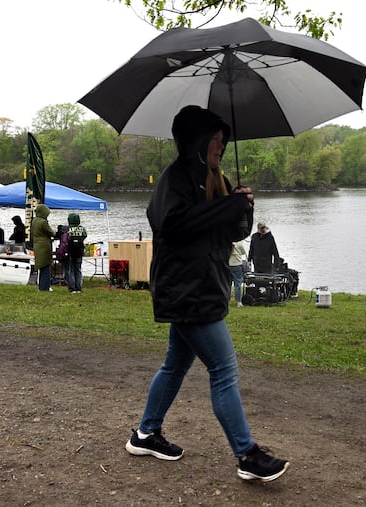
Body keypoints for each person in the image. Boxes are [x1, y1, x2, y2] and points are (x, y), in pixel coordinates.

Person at [126, 105, 289, 482]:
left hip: (205, 284)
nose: (220, 147)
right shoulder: (176, 178)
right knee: (224, 368)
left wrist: (243, 207)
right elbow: (172, 224)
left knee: (176, 363)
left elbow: (232, 233)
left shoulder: (216, 178)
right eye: (214, 140)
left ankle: (146, 433)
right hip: (186, 288)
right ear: (197, 141)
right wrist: (225, 206)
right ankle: (247, 455)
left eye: (222, 141)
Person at [31, 204, 56, 291]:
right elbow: (51, 233)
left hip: (37, 245)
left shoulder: (34, 220)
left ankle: (41, 286)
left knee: (41, 267)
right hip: (44, 246)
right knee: (46, 267)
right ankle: (45, 287)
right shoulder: (43, 222)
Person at [63, 213, 87, 293]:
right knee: (78, 269)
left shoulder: (67, 229)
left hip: (70, 251)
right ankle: (79, 287)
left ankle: (72, 288)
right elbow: (85, 236)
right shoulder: (82, 229)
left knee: (71, 270)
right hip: (79, 251)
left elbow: (63, 237)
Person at [228, 239, 247, 307]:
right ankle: (238, 302)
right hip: (237, 264)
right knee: (238, 284)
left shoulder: (226, 241)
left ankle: (227, 301)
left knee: (227, 284)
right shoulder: (239, 243)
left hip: (228, 264)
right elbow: (243, 252)